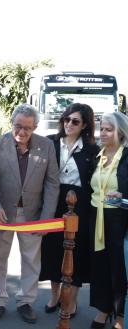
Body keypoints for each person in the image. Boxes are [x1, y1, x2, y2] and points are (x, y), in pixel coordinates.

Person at [0, 103, 59, 324]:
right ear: (12, 123)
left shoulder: (46, 146)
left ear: (35, 127)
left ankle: (25, 301)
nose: (22, 132)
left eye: (27, 128)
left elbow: (52, 183)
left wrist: (46, 218)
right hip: (1, 213)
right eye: (18, 126)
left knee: (31, 260)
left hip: (33, 215)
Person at [39, 103, 99, 317]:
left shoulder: (92, 149)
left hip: (81, 204)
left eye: (75, 121)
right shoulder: (50, 143)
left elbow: (95, 181)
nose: (69, 124)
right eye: (66, 119)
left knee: (77, 253)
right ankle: (54, 296)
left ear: (84, 125)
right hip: (54, 202)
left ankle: (71, 301)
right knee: (53, 251)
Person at [89, 112, 128, 329]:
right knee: (100, 265)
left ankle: (121, 315)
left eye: (108, 129)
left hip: (120, 219)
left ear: (120, 132)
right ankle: (103, 310)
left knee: (119, 268)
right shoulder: (97, 154)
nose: (102, 133)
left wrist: (123, 198)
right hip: (97, 217)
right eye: (101, 128)